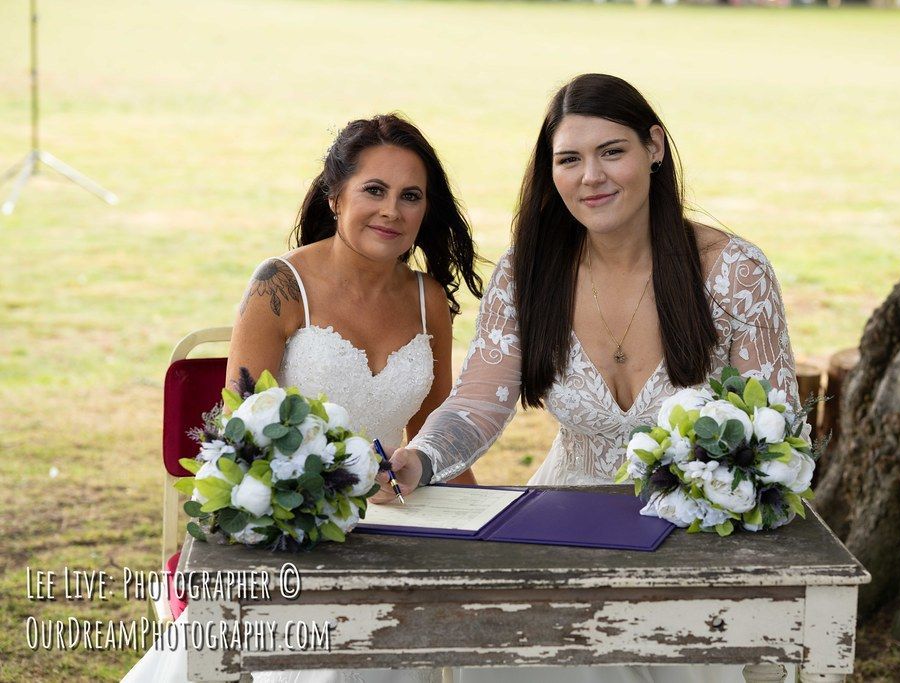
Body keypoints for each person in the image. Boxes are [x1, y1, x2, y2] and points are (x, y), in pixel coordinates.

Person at [375, 74, 798, 683]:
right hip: (564, 523)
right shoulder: (528, 272)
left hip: (700, 535)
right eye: (569, 159)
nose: (590, 177)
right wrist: (419, 458)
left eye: (612, 152)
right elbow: (477, 403)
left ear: (654, 147)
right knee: (506, 649)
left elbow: (778, 434)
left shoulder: (734, 272)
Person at [123, 113, 482, 683]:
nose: (392, 210)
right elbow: (242, 434)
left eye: (410, 196)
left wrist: (483, 522)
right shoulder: (280, 285)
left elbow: (434, 431)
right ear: (336, 197)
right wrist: (323, 498)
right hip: (292, 521)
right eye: (374, 190)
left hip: (396, 520)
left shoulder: (428, 299)